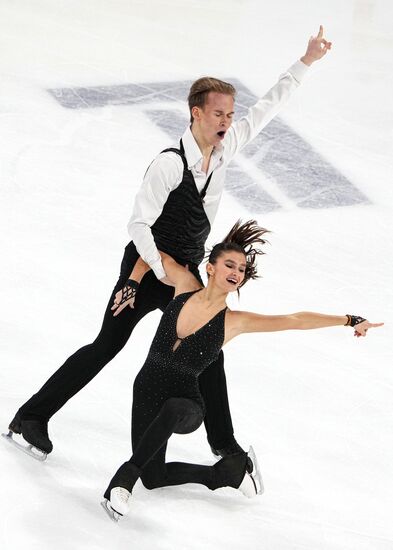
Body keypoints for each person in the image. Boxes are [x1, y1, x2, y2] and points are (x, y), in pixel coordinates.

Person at [6, 27, 332, 460]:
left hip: (185, 272)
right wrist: (157, 275)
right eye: (218, 114)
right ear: (195, 113)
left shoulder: (225, 150)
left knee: (210, 350)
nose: (227, 122)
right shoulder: (167, 164)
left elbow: (267, 108)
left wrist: (306, 61)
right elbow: (138, 226)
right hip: (145, 268)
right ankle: (30, 417)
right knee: (107, 345)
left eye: (230, 115)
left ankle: (224, 445)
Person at [102, 220, 382, 521]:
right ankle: (227, 474)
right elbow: (150, 254)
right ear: (210, 268)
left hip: (186, 404)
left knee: (171, 410)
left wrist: (349, 319)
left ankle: (123, 479)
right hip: (145, 391)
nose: (236, 273)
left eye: (241, 269)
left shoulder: (234, 321)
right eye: (230, 265)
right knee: (154, 477)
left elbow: (295, 319)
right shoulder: (182, 286)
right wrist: (132, 281)